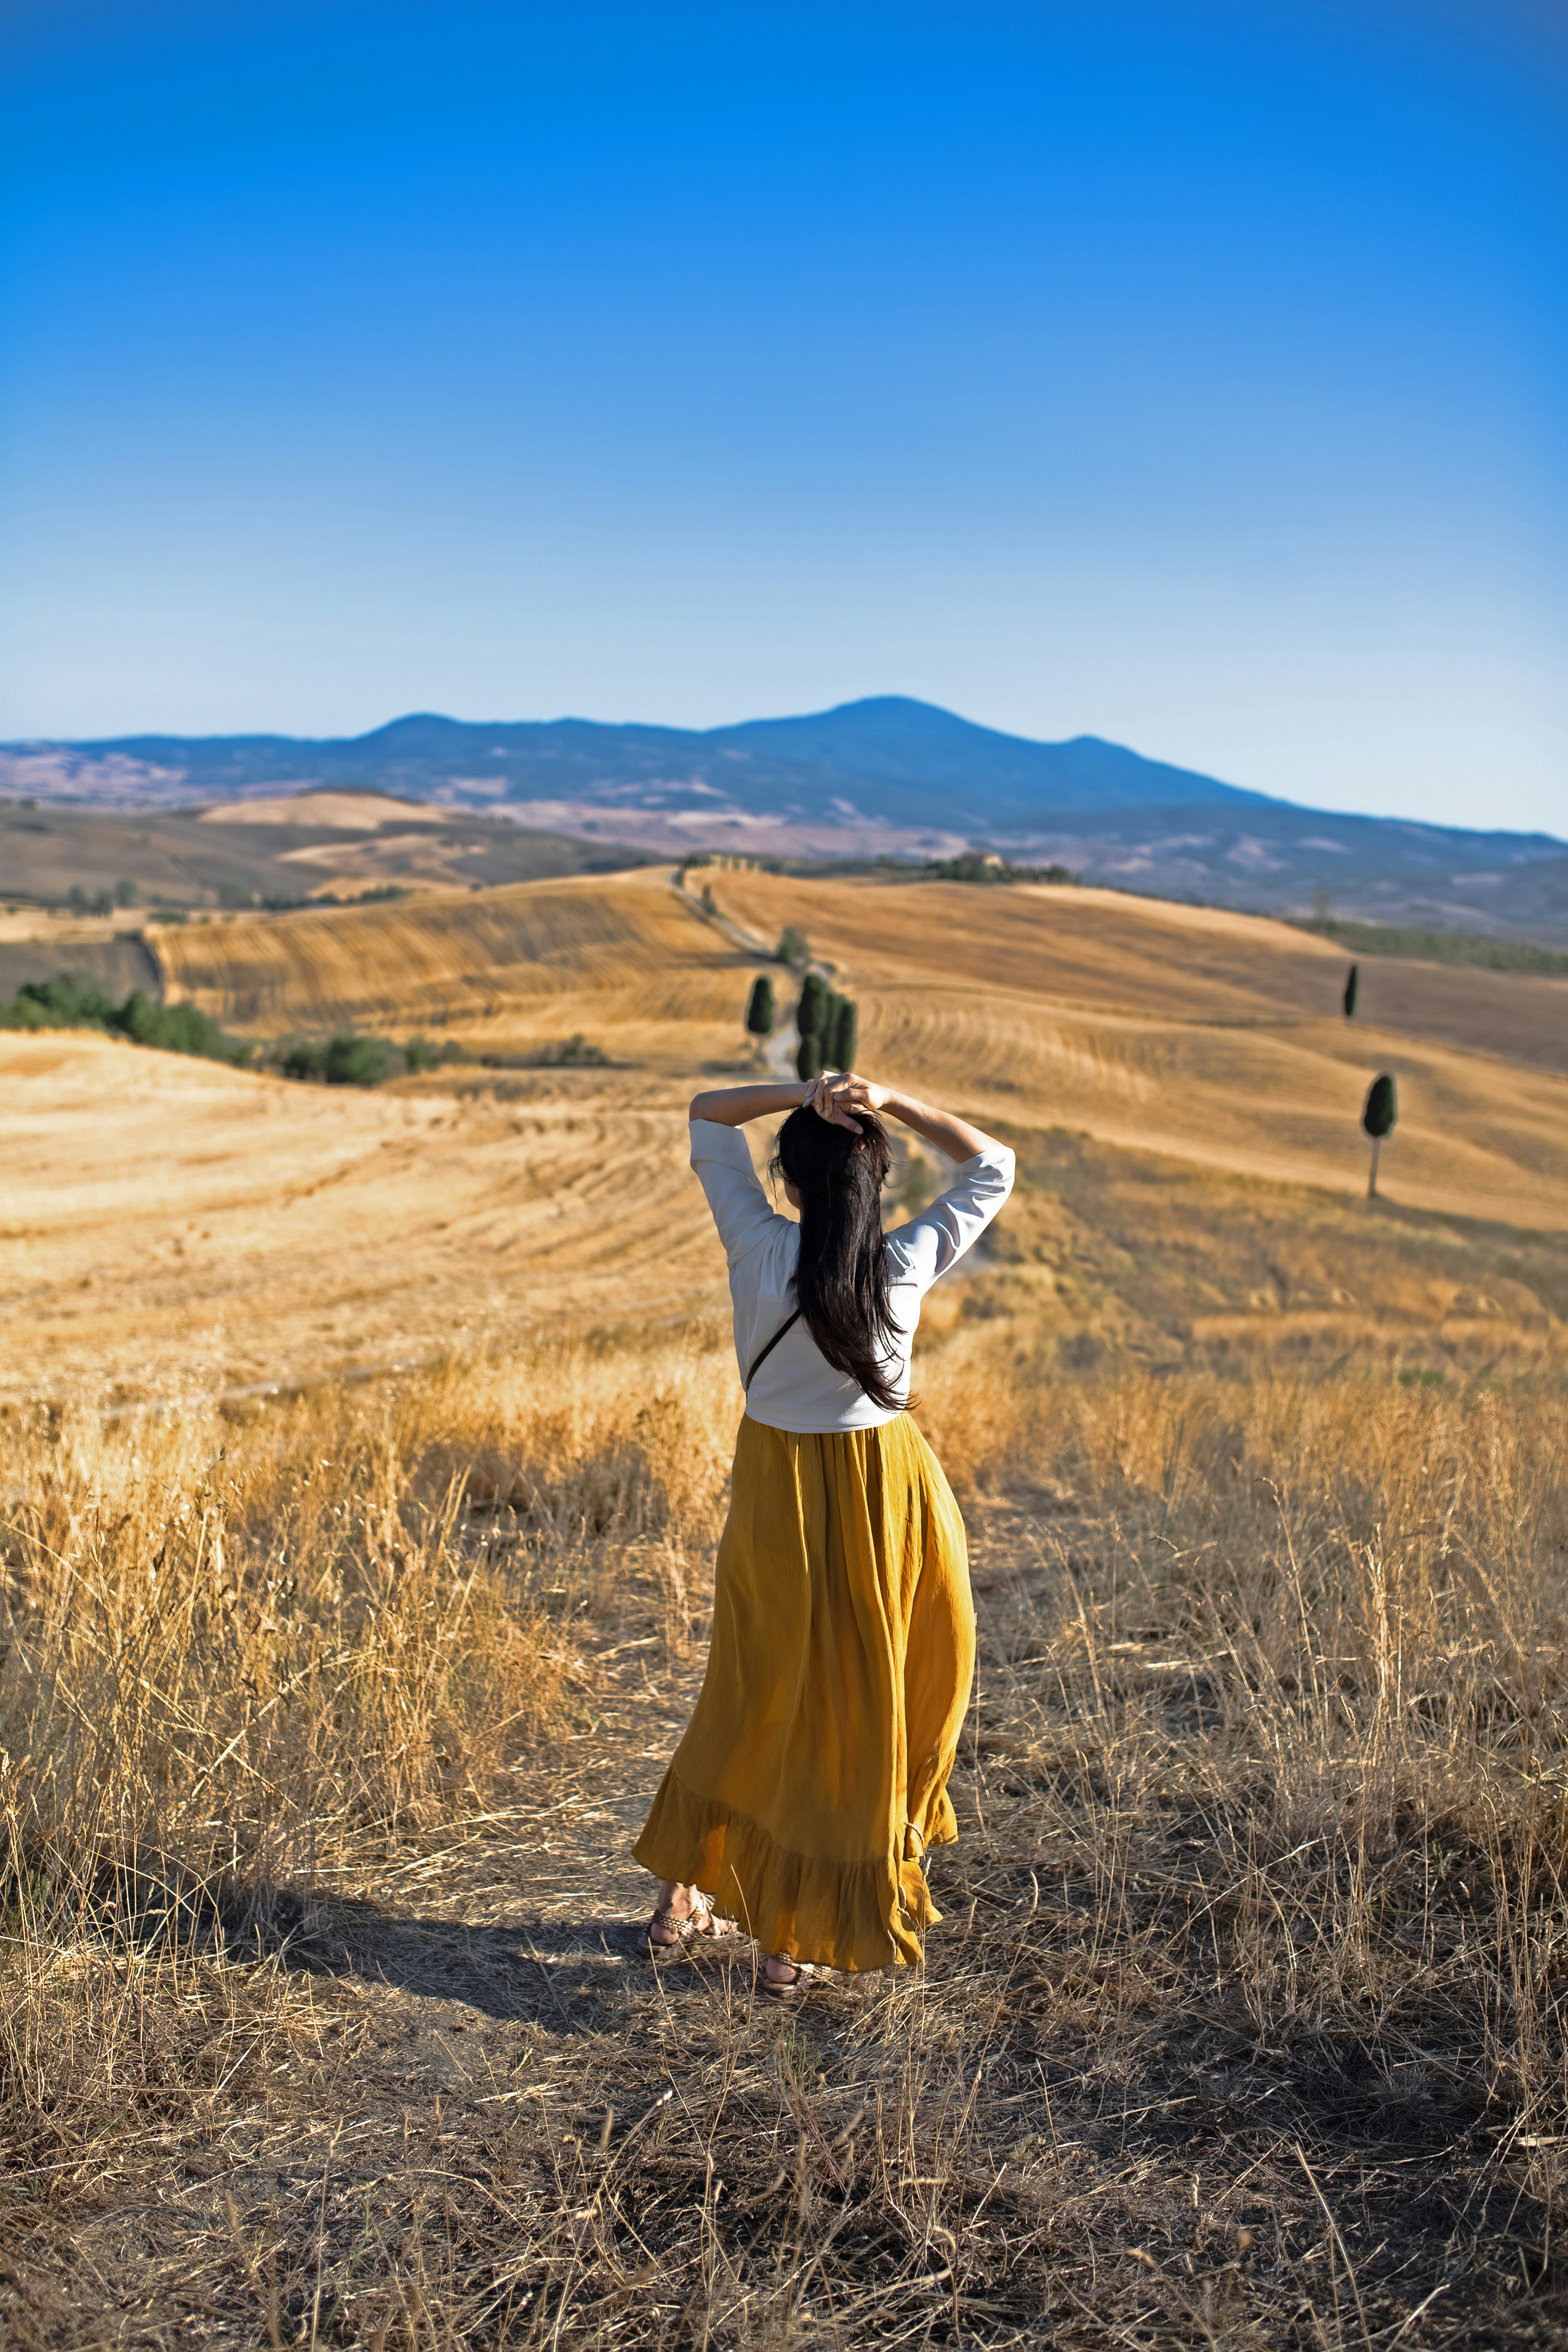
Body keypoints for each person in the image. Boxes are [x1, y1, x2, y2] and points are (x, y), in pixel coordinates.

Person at [633, 1067, 1015, 1992]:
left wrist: (800, 1090)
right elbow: (992, 1165)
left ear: (790, 1182)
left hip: (773, 1491)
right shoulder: (902, 1261)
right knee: (858, 1713)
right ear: (873, 1184)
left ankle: (685, 1896)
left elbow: (702, 1113)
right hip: (881, 1496)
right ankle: (790, 1942)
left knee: (752, 1691)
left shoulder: (754, 1245)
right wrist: (887, 1100)